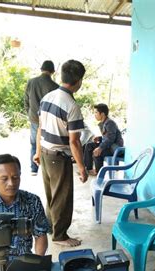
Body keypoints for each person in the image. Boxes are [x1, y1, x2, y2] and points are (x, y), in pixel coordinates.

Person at [33, 59, 88, 247]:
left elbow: (40, 127)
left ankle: (50, 227)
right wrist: (82, 167)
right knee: (62, 198)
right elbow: (74, 141)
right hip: (58, 157)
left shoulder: (47, 97)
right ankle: (60, 235)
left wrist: (38, 151)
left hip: (46, 154)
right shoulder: (71, 106)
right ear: (79, 80)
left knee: (51, 195)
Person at [24, 60, 59, 176]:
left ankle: (34, 169)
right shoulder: (55, 86)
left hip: (34, 118)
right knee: (48, 143)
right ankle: (47, 168)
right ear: (53, 71)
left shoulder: (31, 82)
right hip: (49, 119)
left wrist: (30, 113)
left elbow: (26, 100)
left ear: (41, 69)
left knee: (34, 143)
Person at [83, 103, 124, 176]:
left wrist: (100, 148)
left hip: (115, 148)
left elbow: (111, 139)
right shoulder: (103, 123)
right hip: (109, 145)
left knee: (97, 152)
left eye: (96, 112)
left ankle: (99, 172)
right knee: (89, 145)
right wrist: (99, 138)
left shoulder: (110, 123)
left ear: (102, 114)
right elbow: (107, 137)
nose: (94, 114)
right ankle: (88, 169)